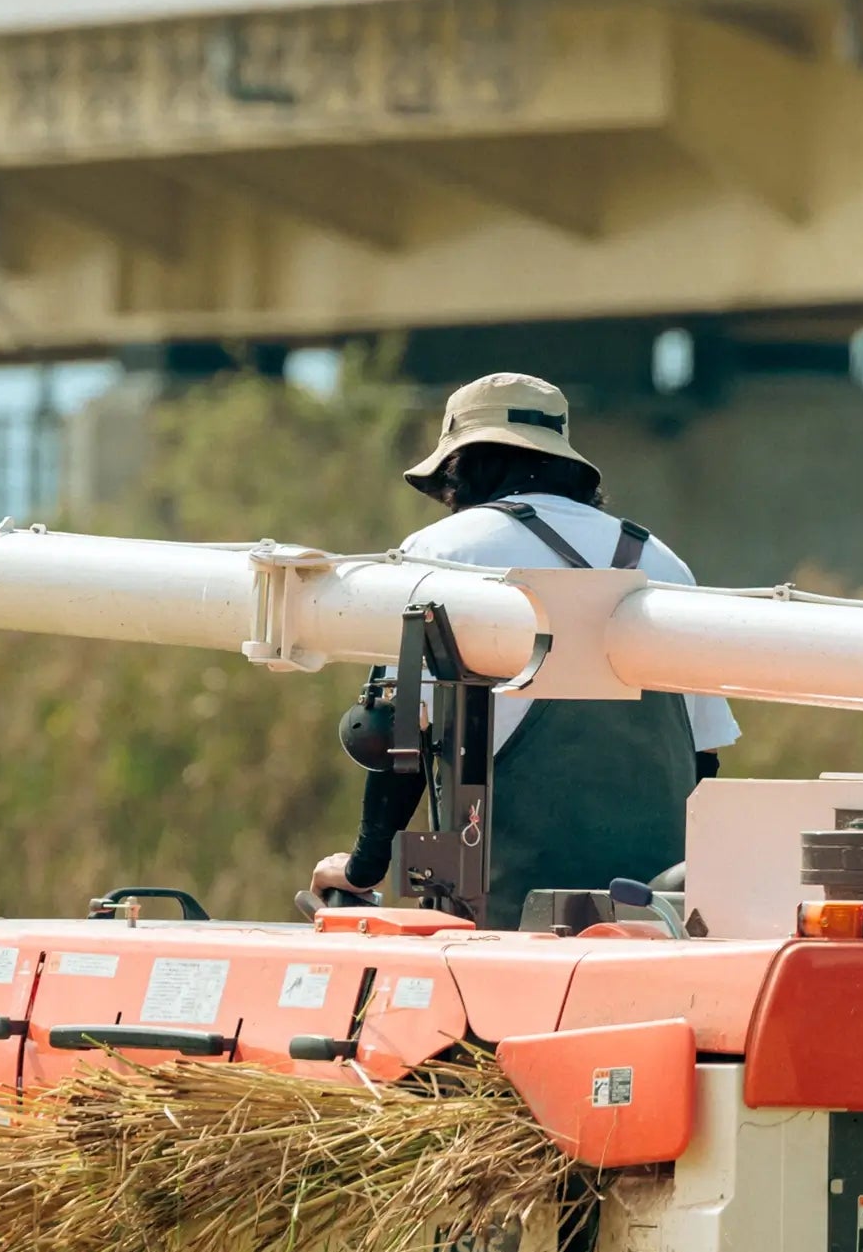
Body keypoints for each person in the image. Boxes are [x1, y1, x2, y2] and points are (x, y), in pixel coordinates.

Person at [308, 372, 738, 930]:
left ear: (462, 467)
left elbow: (395, 735)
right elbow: (703, 759)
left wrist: (364, 867)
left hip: (504, 918)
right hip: (658, 917)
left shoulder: (444, 550)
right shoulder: (663, 563)